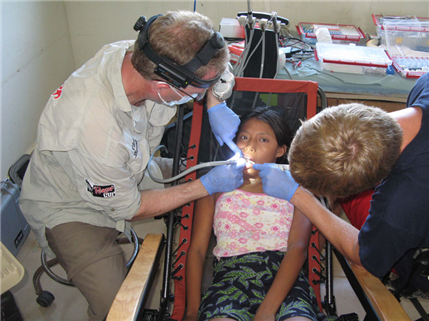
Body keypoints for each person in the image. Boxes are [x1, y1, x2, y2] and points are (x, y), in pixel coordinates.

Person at [19, 11, 245, 320]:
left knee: (203, 170)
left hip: (133, 166)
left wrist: (215, 98)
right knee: (118, 311)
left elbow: (218, 66)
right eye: (199, 90)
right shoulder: (94, 127)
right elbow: (131, 207)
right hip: (70, 207)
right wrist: (203, 186)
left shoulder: (145, 55)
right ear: (166, 85)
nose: (202, 94)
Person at [253, 73, 429, 295]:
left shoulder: (400, 206)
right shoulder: (425, 83)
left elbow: (363, 256)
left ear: (371, 184)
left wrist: (300, 196)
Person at [184, 107, 326, 321]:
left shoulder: (296, 190)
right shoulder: (215, 186)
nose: (250, 146)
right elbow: (196, 250)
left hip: (287, 280)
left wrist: (267, 310)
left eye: (263, 140)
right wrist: (192, 311)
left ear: (280, 150)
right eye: (244, 137)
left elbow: (298, 249)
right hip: (230, 279)